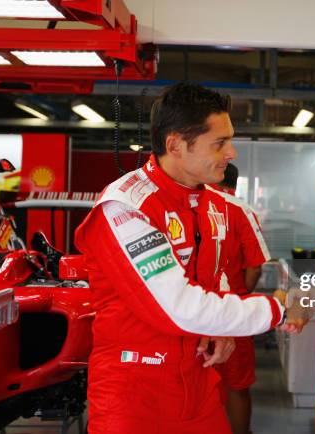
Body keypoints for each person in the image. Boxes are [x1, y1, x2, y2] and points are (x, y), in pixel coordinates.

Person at [75, 83, 286, 434]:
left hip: (198, 382)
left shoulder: (211, 203)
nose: (231, 152)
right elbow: (180, 306)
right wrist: (275, 309)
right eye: (219, 143)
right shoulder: (125, 207)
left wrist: (219, 327)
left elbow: (214, 275)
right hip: (134, 397)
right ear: (175, 145)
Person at [210, 163, 270, 434]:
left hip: (193, 311)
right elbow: (255, 266)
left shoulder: (192, 203)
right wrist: (240, 295)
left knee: (199, 382)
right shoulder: (242, 211)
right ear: (234, 185)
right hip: (234, 313)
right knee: (237, 385)